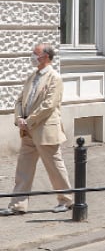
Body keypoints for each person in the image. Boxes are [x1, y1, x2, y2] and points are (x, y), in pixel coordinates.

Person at [1, 43, 73, 216]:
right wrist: (19, 118)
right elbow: (19, 100)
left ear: (46, 57)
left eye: (36, 53)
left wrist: (29, 121)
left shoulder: (54, 77)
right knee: (23, 168)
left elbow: (49, 105)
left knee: (54, 167)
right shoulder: (32, 76)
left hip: (45, 131)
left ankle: (66, 200)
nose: (32, 56)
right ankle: (18, 204)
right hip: (28, 132)